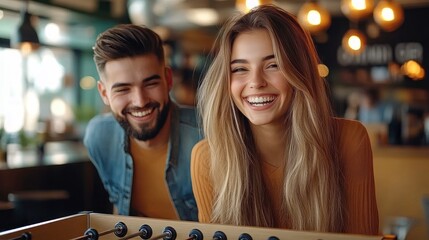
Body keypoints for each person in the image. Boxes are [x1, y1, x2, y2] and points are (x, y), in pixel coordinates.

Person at [191, 4, 379, 235]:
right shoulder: (207, 158)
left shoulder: (349, 140)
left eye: (273, 65)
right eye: (240, 69)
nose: (256, 82)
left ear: (299, 72)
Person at [84, 24, 203, 221]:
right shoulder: (99, 137)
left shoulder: (208, 134)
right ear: (104, 93)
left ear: (168, 79)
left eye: (150, 83)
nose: (140, 101)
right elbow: (119, 208)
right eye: (123, 89)